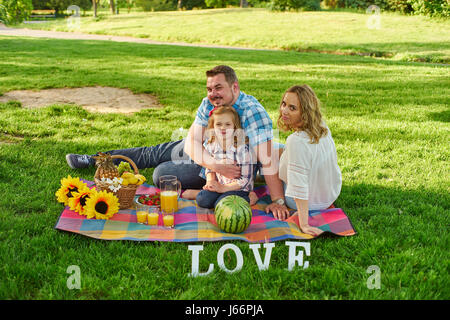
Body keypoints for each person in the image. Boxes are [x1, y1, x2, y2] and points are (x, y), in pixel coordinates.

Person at [65, 65, 289, 216]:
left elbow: (267, 159)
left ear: (235, 87)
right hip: (208, 154)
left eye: (218, 88)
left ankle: (210, 189)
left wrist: (277, 201)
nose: (213, 94)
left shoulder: (252, 112)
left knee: (161, 175)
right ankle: (97, 159)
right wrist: (213, 164)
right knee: (157, 151)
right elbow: (192, 142)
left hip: (231, 165)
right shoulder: (208, 103)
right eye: (210, 88)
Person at [273, 85, 342, 236]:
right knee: (275, 148)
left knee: (266, 153)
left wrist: (304, 224)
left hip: (309, 202)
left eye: (292, 108)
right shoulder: (322, 127)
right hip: (329, 194)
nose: (284, 110)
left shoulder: (296, 141)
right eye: (284, 104)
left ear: (304, 113)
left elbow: (299, 186)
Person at [185, 106, 253, 208]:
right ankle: (199, 194)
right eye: (218, 124)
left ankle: (251, 197)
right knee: (202, 200)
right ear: (213, 127)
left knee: (223, 205)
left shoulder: (241, 149)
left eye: (228, 124)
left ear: (235, 127)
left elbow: (245, 180)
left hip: (238, 189)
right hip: (219, 187)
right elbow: (209, 168)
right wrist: (210, 182)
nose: (223, 128)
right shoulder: (211, 146)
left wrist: (223, 188)